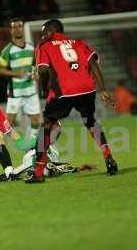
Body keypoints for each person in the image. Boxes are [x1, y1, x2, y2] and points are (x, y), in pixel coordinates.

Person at [26, 19, 118, 183]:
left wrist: (44, 90)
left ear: (50, 32)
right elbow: (93, 64)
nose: (43, 36)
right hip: (87, 88)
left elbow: (43, 69)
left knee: (46, 125)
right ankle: (109, 156)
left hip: (64, 90)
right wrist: (102, 89)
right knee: (90, 121)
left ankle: (38, 172)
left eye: (44, 33)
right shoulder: (79, 43)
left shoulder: (44, 45)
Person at [0, 18, 41, 139]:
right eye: (14, 27)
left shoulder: (31, 48)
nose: (17, 29)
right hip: (16, 91)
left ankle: (31, 145)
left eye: (19, 26)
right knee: (9, 120)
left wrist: (36, 73)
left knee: (36, 120)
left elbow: (36, 64)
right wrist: (15, 73)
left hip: (30, 89)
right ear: (11, 31)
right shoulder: (8, 50)